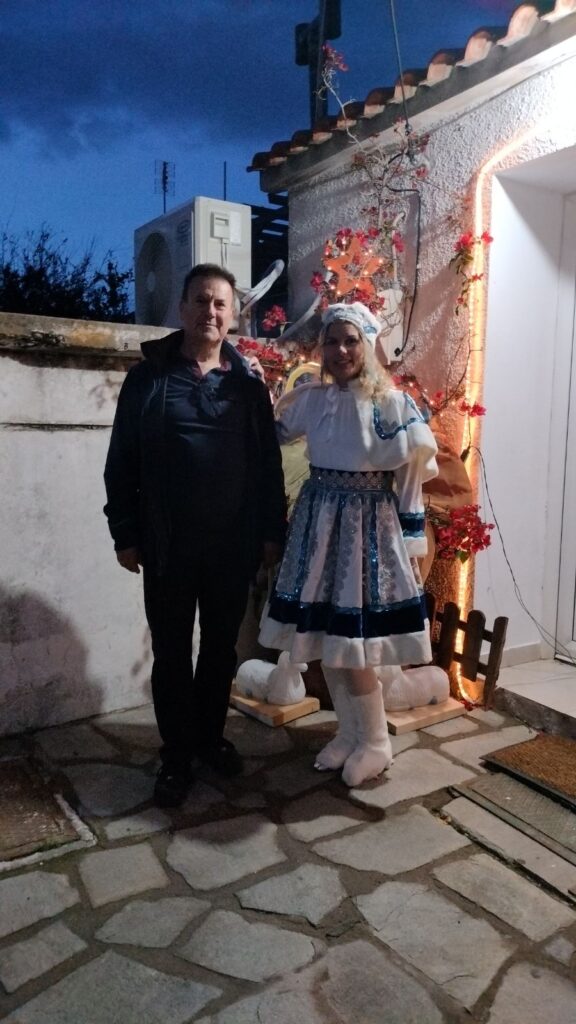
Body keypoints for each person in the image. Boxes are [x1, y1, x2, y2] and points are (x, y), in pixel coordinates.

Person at [104, 263, 286, 807]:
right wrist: (124, 533)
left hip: (231, 546)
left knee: (220, 651)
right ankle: (176, 754)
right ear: (182, 309)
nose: (211, 311)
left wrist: (270, 533)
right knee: (171, 653)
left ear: (233, 316)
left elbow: (268, 467)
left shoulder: (248, 387)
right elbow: (121, 461)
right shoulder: (148, 380)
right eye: (201, 301)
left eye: (220, 304)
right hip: (167, 546)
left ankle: (209, 738)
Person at [259, 302, 438, 787]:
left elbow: (410, 481)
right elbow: (270, 433)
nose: (340, 350)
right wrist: (253, 385)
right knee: (328, 641)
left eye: (351, 340)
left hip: (366, 534)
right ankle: (349, 733)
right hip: (320, 529)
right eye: (332, 341)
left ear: (368, 345)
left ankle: (376, 741)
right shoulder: (312, 399)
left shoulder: (392, 405)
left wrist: (411, 542)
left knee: (355, 647)